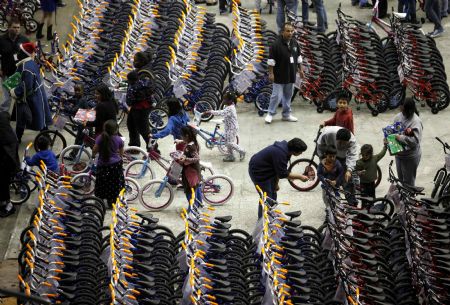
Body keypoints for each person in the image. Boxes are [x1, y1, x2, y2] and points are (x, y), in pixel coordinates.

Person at [249, 138, 309, 218]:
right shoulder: (280, 153)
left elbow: (278, 169)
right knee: (266, 198)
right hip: (259, 172)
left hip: (269, 170)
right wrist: (300, 177)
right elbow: (283, 173)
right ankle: (263, 221)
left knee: (273, 194)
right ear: (295, 151)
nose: (301, 154)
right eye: (301, 152)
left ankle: (270, 213)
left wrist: (276, 184)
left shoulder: (286, 150)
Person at [10, 42, 52, 143]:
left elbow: (26, 86)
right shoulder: (30, 63)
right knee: (41, 115)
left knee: (22, 118)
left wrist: (14, 91)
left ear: (24, 53)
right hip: (38, 95)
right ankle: (46, 136)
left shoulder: (26, 67)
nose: (18, 53)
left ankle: (17, 138)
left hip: (30, 99)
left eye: (20, 51)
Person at [265, 23, 302, 124]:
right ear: (282, 32)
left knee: (288, 96)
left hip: (291, 75)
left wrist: (301, 70)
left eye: (291, 31)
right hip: (279, 76)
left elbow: (298, 58)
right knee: (276, 96)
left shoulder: (295, 43)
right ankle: (270, 113)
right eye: (288, 31)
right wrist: (271, 73)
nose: (290, 33)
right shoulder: (275, 45)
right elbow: (271, 61)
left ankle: (286, 115)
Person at [205, 91, 246, 162]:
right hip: (229, 127)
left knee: (229, 143)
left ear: (230, 101)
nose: (223, 101)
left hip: (232, 128)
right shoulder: (229, 106)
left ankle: (242, 151)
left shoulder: (230, 108)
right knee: (227, 142)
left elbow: (221, 113)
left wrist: (211, 111)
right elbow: (228, 116)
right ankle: (231, 156)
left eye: (225, 99)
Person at [92, 120, 125, 208]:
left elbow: (95, 150)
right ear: (115, 130)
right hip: (115, 165)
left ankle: (99, 201)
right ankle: (112, 201)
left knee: (101, 183)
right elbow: (121, 152)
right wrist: (120, 158)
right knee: (114, 184)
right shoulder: (118, 139)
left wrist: (93, 155)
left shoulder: (100, 138)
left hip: (102, 165)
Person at [0, 19, 29, 113]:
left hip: (19, 74)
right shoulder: (1, 40)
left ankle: (16, 117)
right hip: (7, 73)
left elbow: (30, 55)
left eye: (18, 27)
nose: (17, 29)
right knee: (7, 97)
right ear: (8, 28)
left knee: (20, 96)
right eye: (14, 27)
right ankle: (3, 116)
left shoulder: (24, 40)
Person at [126, 52, 154, 148]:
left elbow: (140, 87)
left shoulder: (145, 73)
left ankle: (154, 149)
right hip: (136, 105)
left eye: (136, 60)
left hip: (142, 106)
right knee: (131, 125)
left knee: (143, 129)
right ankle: (134, 147)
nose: (134, 62)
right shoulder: (139, 71)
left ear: (142, 61)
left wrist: (131, 85)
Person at [392, 98, 423, 187]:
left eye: (403, 110)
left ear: (409, 110)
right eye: (401, 109)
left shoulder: (416, 122)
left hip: (410, 157)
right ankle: (403, 200)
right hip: (399, 155)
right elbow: (393, 131)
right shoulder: (398, 116)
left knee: (408, 183)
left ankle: (410, 200)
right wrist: (388, 139)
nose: (401, 112)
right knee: (400, 181)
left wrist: (400, 137)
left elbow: (415, 141)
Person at [176, 126, 202, 207]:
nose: (181, 137)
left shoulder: (191, 147)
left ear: (186, 136)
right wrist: (180, 141)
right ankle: (198, 204)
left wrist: (185, 159)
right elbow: (187, 143)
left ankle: (193, 208)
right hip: (193, 171)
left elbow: (197, 158)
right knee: (196, 187)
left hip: (190, 172)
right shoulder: (192, 142)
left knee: (189, 191)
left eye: (182, 136)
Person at [0, 112, 20, 217]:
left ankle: (8, 206)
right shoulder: (8, 134)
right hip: (8, 161)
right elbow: (6, 114)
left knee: (3, 185)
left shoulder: (5, 139)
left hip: (6, 165)